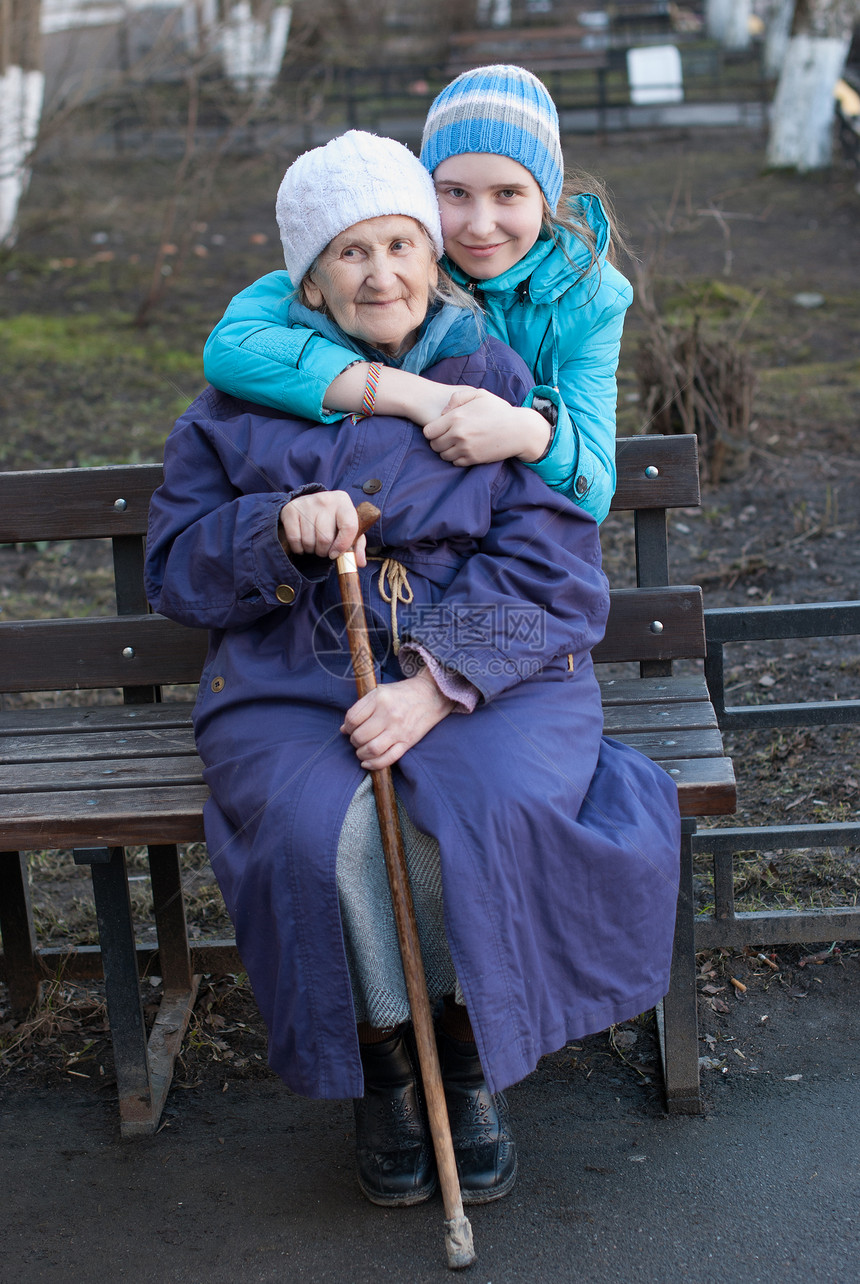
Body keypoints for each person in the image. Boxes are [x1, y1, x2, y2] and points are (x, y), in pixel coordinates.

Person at [145, 131, 680, 1212]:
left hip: (491, 668)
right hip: (293, 674)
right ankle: (388, 1064)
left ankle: (465, 1057)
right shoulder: (235, 402)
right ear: (308, 279)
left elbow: (552, 568)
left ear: (431, 258)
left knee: (472, 814)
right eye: (350, 254)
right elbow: (173, 570)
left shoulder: (489, 377)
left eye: (400, 244)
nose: (381, 273)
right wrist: (269, 528)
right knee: (323, 832)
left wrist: (435, 685)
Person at [202, 65, 631, 524]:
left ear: (544, 196)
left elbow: (594, 493)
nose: (480, 225)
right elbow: (232, 344)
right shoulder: (401, 263)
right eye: (456, 193)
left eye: (508, 193)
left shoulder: (591, 300)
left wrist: (532, 433)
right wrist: (404, 393)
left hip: (513, 531)